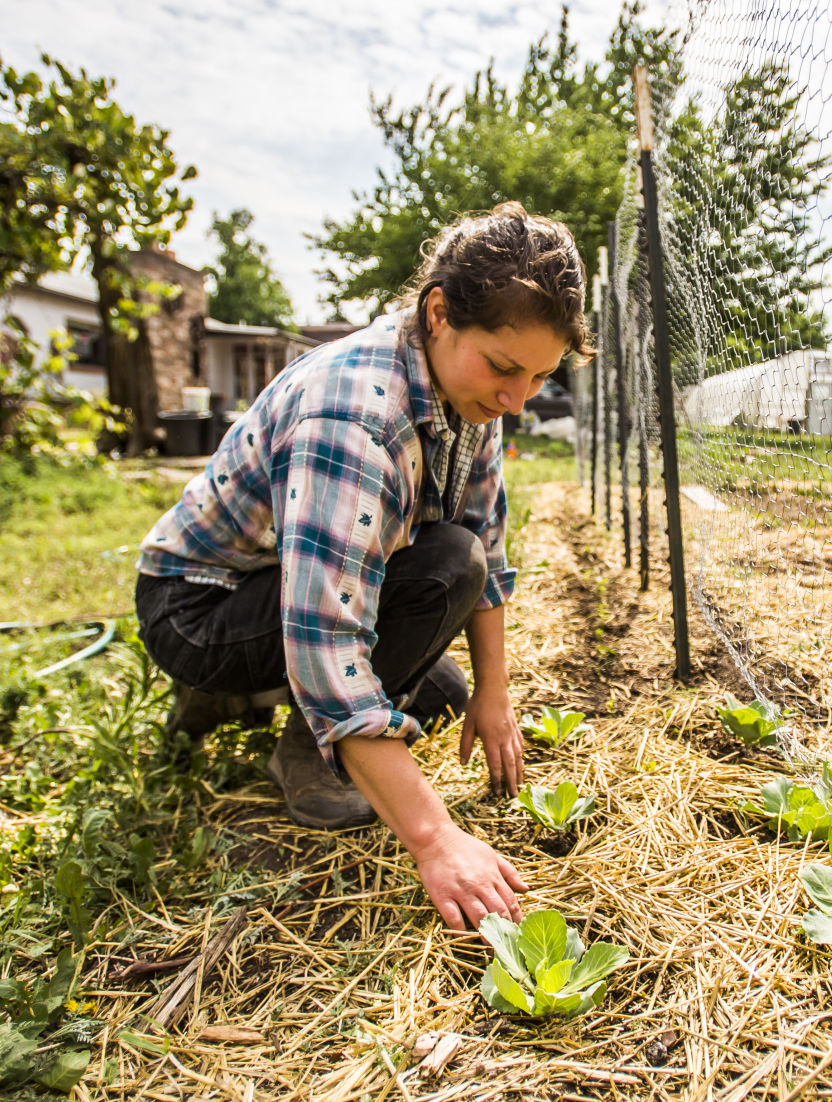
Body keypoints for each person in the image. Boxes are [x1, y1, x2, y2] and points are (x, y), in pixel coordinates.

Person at [133, 202, 592, 932]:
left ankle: (241, 698)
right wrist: (435, 838)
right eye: (504, 368)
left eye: (537, 377)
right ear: (438, 312)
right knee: (445, 568)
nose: (515, 398)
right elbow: (325, 642)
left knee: (440, 692)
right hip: (198, 608)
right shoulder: (353, 416)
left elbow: (487, 538)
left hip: (276, 587)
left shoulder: (469, 395)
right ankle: (297, 747)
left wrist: (494, 695)